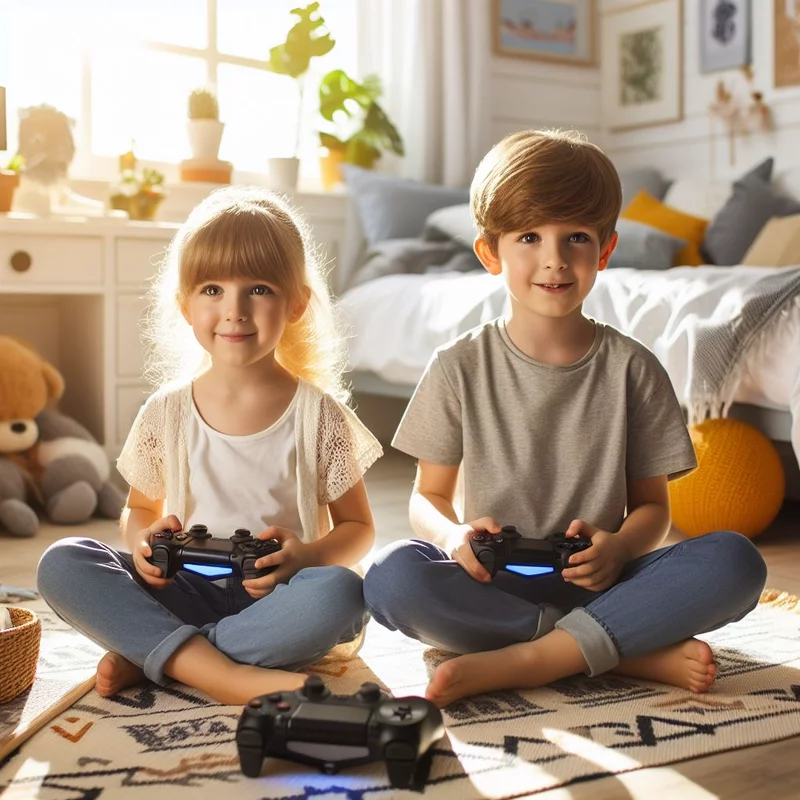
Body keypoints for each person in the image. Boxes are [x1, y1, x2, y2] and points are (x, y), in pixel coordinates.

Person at [363, 129, 767, 709]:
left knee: (735, 561)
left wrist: (621, 549)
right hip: (493, 584)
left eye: (575, 237)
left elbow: (653, 509)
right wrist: (452, 536)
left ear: (604, 251)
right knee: (390, 576)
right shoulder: (457, 366)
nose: (554, 258)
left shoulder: (635, 369)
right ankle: (621, 651)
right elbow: (427, 497)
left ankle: (532, 658)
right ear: (491, 253)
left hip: (603, 580)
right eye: (529, 236)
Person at [38, 187, 382, 705]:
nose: (235, 310)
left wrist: (306, 556)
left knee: (343, 594)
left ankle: (163, 655)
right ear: (185, 305)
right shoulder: (166, 412)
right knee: (63, 562)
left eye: (259, 289)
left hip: (274, 598)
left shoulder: (318, 415)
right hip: (181, 588)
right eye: (213, 290)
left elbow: (359, 529)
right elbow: (138, 511)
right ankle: (225, 672)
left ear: (296, 304)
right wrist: (141, 543)